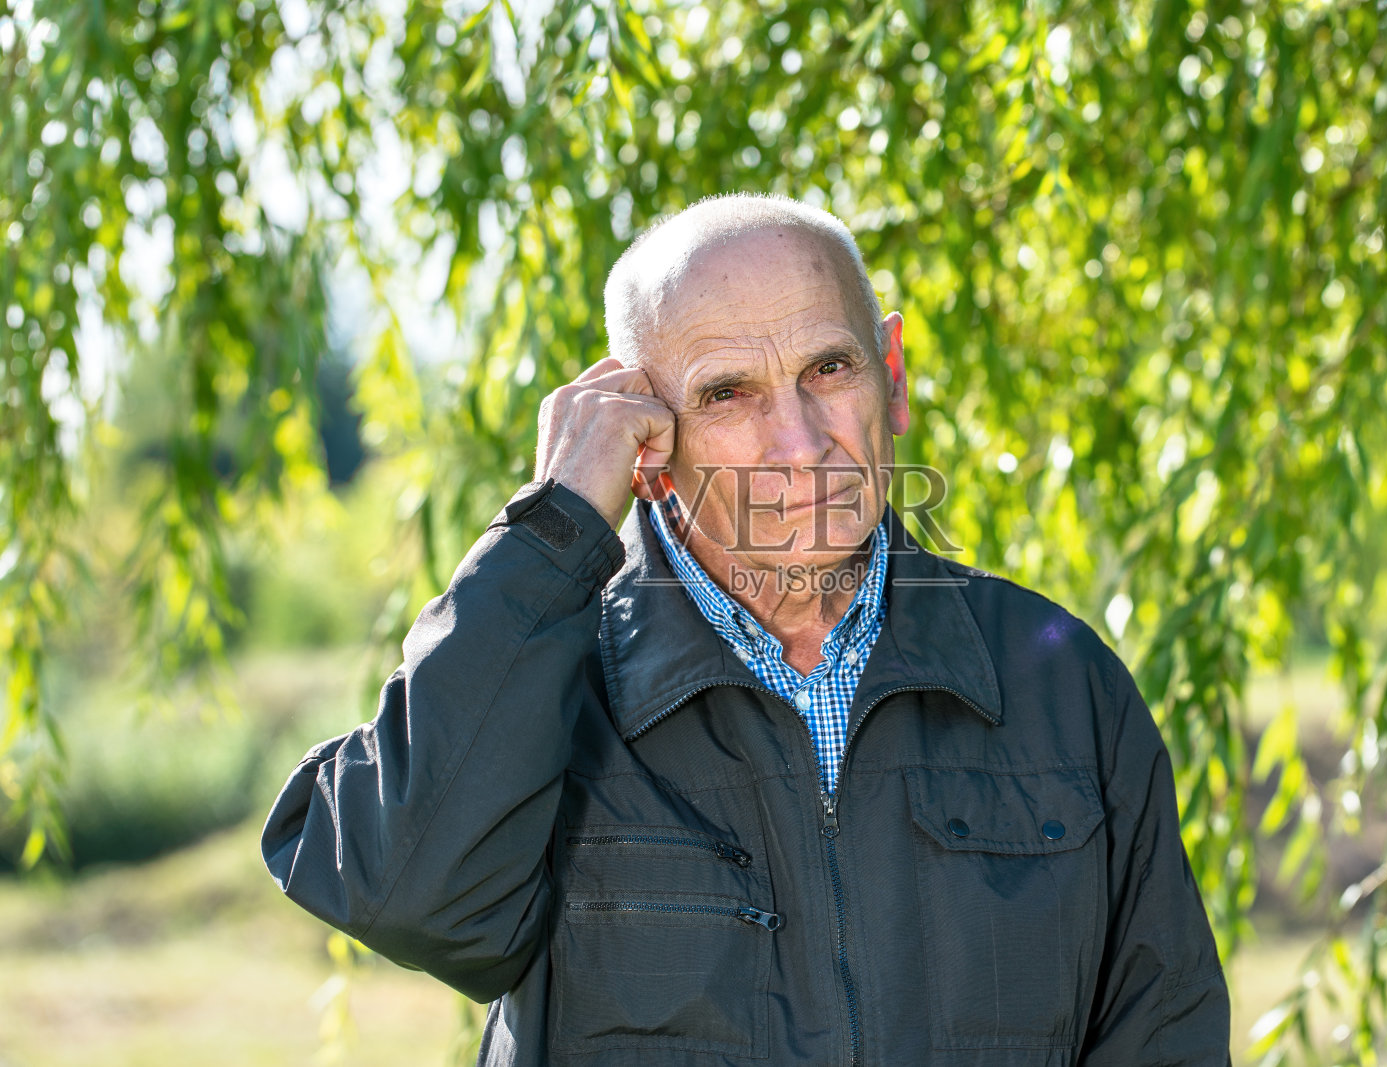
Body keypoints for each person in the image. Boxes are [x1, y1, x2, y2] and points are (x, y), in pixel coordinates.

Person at [262, 194, 1229, 1066]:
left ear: (889, 374)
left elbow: (1165, 1034)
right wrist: (554, 528)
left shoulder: (1064, 687)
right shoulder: (553, 688)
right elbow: (406, 893)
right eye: (729, 394)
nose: (801, 444)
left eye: (829, 368)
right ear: (645, 442)